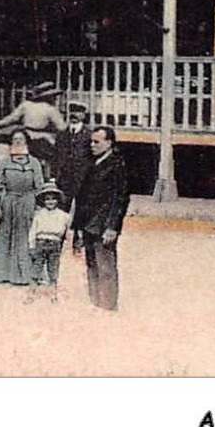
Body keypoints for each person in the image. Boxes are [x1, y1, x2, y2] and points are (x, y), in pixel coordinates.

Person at [72, 125, 131, 311]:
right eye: (91, 141)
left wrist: (112, 227)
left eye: (96, 142)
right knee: (91, 265)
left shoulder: (116, 165)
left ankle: (108, 306)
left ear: (109, 143)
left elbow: (120, 199)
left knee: (105, 267)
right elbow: (82, 197)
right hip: (87, 224)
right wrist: (78, 228)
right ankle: (95, 303)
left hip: (103, 226)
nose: (92, 145)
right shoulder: (93, 163)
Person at [0, 129, 47, 287]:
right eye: (15, 139)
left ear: (27, 143)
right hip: (9, 203)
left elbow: (40, 186)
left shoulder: (34, 163)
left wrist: (40, 207)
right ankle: (3, 274)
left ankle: (27, 275)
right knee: (6, 237)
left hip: (28, 203)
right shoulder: (4, 162)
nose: (18, 142)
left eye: (21, 139)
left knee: (27, 238)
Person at [0, 80, 67, 167]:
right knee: (57, 156)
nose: (55, 99)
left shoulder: (26, 105)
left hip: (25, 136)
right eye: (53, 96)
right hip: (43, 138)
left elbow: (11, 118)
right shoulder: (50, 109)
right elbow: (62, 127)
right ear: (49, 96)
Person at [27, 180, 69, 303]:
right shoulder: (39, 214)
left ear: (57, 200)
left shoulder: (63, 216)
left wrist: (65, 246)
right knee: (36, 269)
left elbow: (67, 233)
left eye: (53, 199)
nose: (50, 202)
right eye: (47, 199)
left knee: (53, 270)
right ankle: (31, 294)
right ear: (43, 201)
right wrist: (31, 245)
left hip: (55, 243)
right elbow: (33, 231)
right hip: (40, 242)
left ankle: (53, 295)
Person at [53, 101, 94, 211]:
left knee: (82, 208)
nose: (74, 114)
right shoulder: (61, 134)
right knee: (62, 207)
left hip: (83, 178)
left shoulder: (90, 135)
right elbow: (56, 156)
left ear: (84, 115)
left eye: (78, 112)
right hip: (64, 178)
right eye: (72, 111)